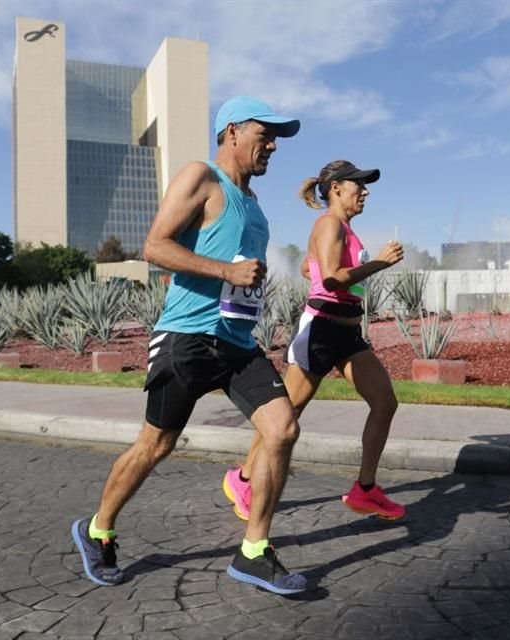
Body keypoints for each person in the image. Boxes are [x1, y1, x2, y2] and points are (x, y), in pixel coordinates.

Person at [71, 96, 308, 595]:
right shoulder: (201, 176)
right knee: (155, 445)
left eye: (276, 139)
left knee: (282, 430)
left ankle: (253, 552)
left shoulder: (255, 204)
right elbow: (154, 245)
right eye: (264, 135)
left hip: (238, 344)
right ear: (231, 133)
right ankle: (98, 530)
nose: (272, 146)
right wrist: (225, 270)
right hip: (186, 339)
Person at [222, 160, 407, 523]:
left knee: (385, 403)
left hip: (348, 334)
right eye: (359, 185)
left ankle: (365, 490)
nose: (366, 191)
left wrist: (314, 266)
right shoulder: (328, 223)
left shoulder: (344, 229)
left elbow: (318, 268)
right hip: (321, 330)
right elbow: (337, 279)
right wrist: (381, 263)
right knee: (284, 416)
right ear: (336, 188)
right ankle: (243, 480)